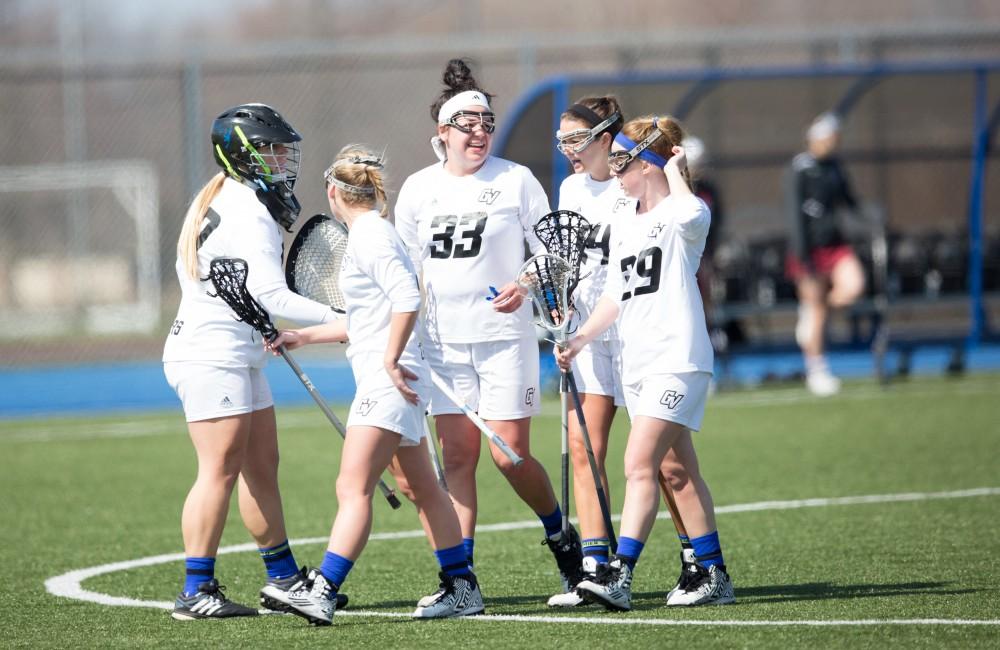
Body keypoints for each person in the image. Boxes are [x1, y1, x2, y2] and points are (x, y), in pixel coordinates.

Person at [268, 145, 484, 625]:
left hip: (390, 381)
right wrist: (301, 335)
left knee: (353, 485)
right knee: (423, 487)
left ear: (333, 192)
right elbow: (366, 320)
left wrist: (389, 359)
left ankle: (321, 591)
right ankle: (462, 586)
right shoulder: (371, 235)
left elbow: (409, 298)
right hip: (394, 379)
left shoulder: (369, 237)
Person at [394, 58, 583, 594]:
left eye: (486, 124)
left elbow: (552, 251)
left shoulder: (515, 180)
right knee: (457, 458)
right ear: (443, 133)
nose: (480, 133)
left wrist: (524, 283)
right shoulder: (417, 189)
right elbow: (405, 268)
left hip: (504, 339)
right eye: (468, 125)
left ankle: (559, 534)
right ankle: (461, 578)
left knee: (508, 455)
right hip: (443, 343)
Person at [162, 103, 345, 620]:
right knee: (218, 470)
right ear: (245, 154)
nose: (285, 159)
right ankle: (195, 589)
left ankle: (283, 579)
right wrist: (347, 315)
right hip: (210, 354)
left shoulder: (223, 195)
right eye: (272, 149)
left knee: (262, 466)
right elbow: (271, 292)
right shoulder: (246, 207)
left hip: (233, 349)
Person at [556, 114, 735, 610]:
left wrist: (672, 166)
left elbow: (693, 216)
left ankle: (620, 573)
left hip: (676, 360)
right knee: (677, 471)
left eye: (622, 161)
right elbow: (614, 297)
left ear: (650, 164)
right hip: (638, 364)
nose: (614, 171)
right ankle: (713, 574)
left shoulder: (682, 216)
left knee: (639, 464)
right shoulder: (624, 220)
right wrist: (578, 339)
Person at [784, 112, 866, 397]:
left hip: (836, 245)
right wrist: (802, 254)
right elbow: (795, 213)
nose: (833, 143)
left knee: (853, 286)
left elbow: (850, 201)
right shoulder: (800, 168)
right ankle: (817, 370)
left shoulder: (835, 167)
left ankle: (812, 316)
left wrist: (869, 220)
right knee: (815, 311)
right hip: (809, 249)